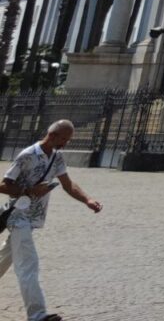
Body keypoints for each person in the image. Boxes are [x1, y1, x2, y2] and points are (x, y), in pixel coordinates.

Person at [0, 118, 104, 321]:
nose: (66, 143)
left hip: (32, 219)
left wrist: (87, 200)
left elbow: (68, 184)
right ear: (53, 135)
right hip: (18, 216)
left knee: (3, 259)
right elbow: (4, 185)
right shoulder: (28, 155)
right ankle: (37, 315)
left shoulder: (57, 157)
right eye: (64, 139)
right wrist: (29, 190)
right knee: (28, 265)